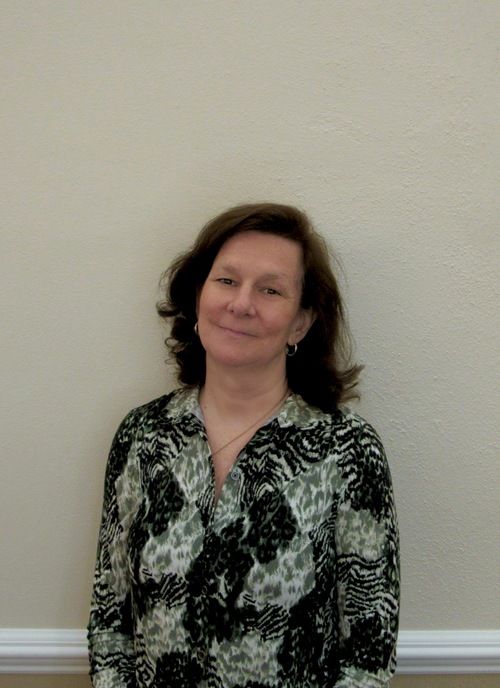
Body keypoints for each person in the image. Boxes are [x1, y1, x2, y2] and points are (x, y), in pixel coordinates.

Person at [88, 202, 400, 687]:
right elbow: (111, 621)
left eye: (270, 290)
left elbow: (368, 653)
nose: (241, 304)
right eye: (227, 281)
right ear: (199, 296)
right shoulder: (143, 435)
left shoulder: (347, 448)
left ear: (300, 323)